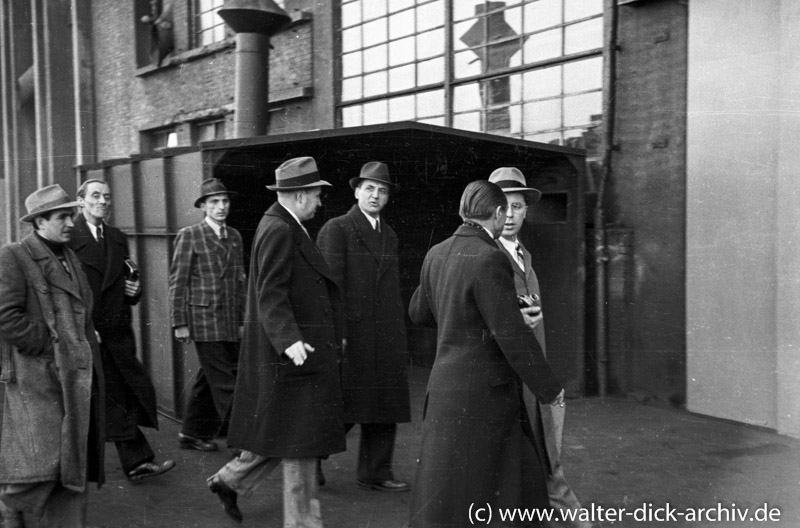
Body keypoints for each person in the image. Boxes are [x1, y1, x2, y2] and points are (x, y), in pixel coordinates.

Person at [408, 180, 564, 528]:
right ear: (496, 214)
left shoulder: (436, 253)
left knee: (449, 490)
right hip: (485, 394)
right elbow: (509, 336)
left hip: (445, 389)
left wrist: (467, 314)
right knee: (506, 484)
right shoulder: (490, 257)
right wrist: (550, 388)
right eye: (504, 212)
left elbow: (418, 312)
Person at [207, 156, 345, 527]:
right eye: (316, 194)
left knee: (286, 431)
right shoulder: (281, 229)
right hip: (292, 356)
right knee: (300, 440)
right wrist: (290, 341)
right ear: (299, 195)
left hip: (296, 354)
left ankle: (230, 480)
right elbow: (270, 293)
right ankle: (302, 523)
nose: (319, 201)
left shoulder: (284, 224)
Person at [489, 167, 591, 528]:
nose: (511, 215)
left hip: (533, 375)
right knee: (537, 461)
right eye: (504, 207)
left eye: (517, 207)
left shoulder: (522, 255)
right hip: (508, 377)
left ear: (526, 210)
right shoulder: (488, 257)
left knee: (543, 457)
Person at [0, 184, 106, 527]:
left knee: (71, 461)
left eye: (70, 215)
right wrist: (50, 346)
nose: (70, 222)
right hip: (40, 378)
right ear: (40, 222)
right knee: (46, 462)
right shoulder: (15, 256)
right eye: (62, 217)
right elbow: (5, 316)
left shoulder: (69, 256)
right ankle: (9, 504)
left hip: (76, 376)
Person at [70, 179, 175, 483]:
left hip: (117, 331)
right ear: (81, 202)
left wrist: (135, 290)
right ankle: (133, 461)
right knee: (103, 396)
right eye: (95, 196)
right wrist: (84, 327)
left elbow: (127, 284)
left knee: (118, 393)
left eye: (106, 197)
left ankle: (134, 462)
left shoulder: (117, 237)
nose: (102, 201)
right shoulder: (69, 236)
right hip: (90, 333)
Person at [316, 161, 411, 492]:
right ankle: (311, 459)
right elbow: (329, 288)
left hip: (386, 335)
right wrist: (336, 334)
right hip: (351, 335)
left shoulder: (391, 235)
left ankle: (376, 471)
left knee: (385, 403)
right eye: (369, 188)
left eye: (382, 191)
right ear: (356, 191)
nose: (375, 195)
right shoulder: (337, 228)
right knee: (344, 405)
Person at [169, 178, 246, 452]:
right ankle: (244, 439)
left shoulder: (234, 236)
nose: (221, 206)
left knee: (208, 378)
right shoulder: (190, 234)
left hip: (227, 321)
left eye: (224, 201)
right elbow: (178, 281)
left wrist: (241, 322)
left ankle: (192, 433)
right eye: (214, 202)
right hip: (203, 320)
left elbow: (240, 282)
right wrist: (179, 323)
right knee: (226, 382)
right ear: (203, 206)